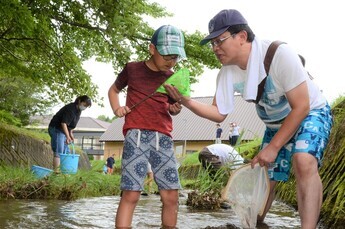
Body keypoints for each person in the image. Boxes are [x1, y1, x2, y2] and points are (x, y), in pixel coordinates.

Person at [164, 9, 333, 228]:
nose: (215, 48)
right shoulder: (226, 72)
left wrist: (273, 147)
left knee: (303, 160)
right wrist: (186, 101)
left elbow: (301, 107)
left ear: (242, 36)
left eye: (219, 41)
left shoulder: (279, 54)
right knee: (264, 181)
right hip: (274, 125)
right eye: (212, 43)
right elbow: (218, 113)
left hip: (311, 112)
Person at [108, 24, 186, 228]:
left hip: (164, 139)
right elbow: (114, 90)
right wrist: (117, 108)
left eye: (175, 57)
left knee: (171, 195)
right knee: (131, 193)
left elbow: (169, 106)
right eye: (167, 56)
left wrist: (174, 108)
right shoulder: (133, 69)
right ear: (152, 49)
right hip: (136, 136)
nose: (171, 62)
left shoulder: (171, 77)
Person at [48, 95, 92, 172]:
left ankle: (65, 172)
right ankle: (56, 173)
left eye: (86, 106)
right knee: (59, 151)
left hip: (63, 131)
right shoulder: (70, 109)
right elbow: (64, 123)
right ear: (79, 101)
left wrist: (70, 134)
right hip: (57, 129)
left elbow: (70, 125)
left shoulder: (78, 111)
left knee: (67, 152)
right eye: (84, 105)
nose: (84, 107)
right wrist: (67, 136)